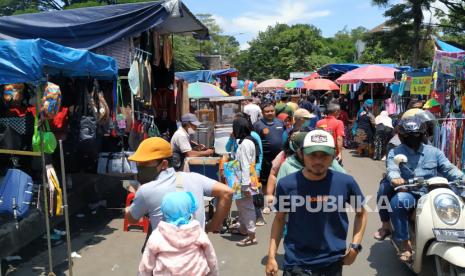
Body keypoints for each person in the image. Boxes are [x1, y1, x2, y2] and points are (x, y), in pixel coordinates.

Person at [266, 130, 367, 276]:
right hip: (296, 262)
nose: (318, 161)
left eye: (324, 155)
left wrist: (355, 248)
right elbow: (279, 219)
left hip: (332, 263)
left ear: (333, 155)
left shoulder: (345, 183)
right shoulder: (286, 184)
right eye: (312, 155)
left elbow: (361, 214)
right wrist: (271, 256)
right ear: (301, 154)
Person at [125, 138, 233, 249]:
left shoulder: (146, 190)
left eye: (145, 164)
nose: (140, 168)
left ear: (164, 164)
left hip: (165, 258)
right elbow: (227, 192)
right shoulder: (195, 178)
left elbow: (132, 218)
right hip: (196, 256)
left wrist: (131, 200)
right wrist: (212, 226)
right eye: (139, 164)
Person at [382, 117, 465, 262]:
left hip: (434, 192)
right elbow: (392, 169)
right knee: (398, 202)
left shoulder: (434, 152)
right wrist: (396, 178)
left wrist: (461, 177)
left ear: (423, 134)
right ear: (401, 136)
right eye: (408, 136)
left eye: (416, 135)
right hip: (411, 192)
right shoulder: (395, 153)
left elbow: (449, 168)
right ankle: (404, 243)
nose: (413, 138)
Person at [138, 192, 218, 276]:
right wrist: (213, 273)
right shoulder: (197, 232)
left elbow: (146, 264)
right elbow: (211, 258)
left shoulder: (158, 235)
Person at [225, 112, 266, 226]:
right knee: (244, 199)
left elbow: (259, 154)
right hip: (239, 171)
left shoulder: (252, 136)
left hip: (250, 171)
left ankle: (257, 217)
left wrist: (257, 170)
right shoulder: (237, 136)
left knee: (253, 195)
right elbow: (228, 148)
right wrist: (231, 139)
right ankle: (246, 222)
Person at [229, 117, 260, 246]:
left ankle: (251, 236)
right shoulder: (246, 141)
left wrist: (245, 185)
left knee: (246, 206)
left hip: (244, 181)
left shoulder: (246, 143)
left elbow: (246, 165)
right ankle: (243, 229)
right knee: (242, 205)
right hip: (244, 179)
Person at [254, 103, 285, 190]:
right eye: (267, 111)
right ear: (262, 113)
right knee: (266, 181)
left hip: (280, 157)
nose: (270, 113)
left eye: (272, 111)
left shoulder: (281, 122)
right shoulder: (257, 125)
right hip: (266, 159)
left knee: (280, 178)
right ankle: (267, 199)